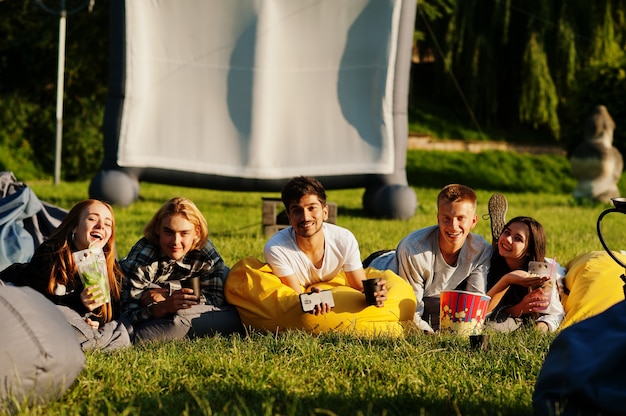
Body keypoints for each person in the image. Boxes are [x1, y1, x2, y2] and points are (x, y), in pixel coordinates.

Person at [0, 199, 131, 351]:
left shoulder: (110, 267)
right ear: (74, 226)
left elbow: (112, 310)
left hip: (71, 322)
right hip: (18, 296)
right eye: (92, 219)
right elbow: (35, 300)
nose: (101, 226)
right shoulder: (52, 251)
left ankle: (85, 336)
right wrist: (78, 302)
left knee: (121, 333)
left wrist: (95, 321)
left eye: (108, 224)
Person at [370, 184, 493, 333]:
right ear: (438, 219)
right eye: (446, 218)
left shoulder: (480, 249)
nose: (453, 226)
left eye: (460, 218)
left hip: (432, 294)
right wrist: (429, 334)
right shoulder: (414, 249)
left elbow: (474, 301)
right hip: (381, 268)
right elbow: (412, 308)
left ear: (473, 221)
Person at [120, 197, 243, 343]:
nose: (175, 241)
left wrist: (170, 294)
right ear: (158, 229)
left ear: (196, 232)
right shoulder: (144, 258)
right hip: (135, 290)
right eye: (168, 232)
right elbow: (128, 313)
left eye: (184, 233)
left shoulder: (204, 253)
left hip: (171, 291)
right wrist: (162, 307)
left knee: (226, 276)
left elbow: (216, 298)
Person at [263, 176, 387, 312]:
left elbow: (359, 288)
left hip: (335, 285)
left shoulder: (343, 239)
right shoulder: (276, 248)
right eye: (297, 211)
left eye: (312, 208)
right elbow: (297, 298)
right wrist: (311, 299)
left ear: (325, 212)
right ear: (289, 216)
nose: (305, 217)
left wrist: (375, 295)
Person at [486, 216, 565, 332]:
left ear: (529, 250)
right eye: (507, 232)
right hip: (497, 309)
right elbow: (482, 310)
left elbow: (555, 313)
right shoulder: (489, 263)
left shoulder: (542, 274)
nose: (508, 239)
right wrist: (508, 280)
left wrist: (541, 328)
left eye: (517, 239)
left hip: (561, 278)